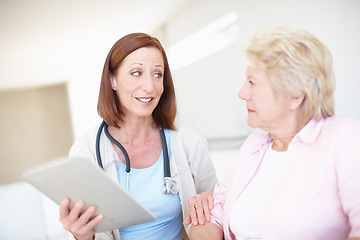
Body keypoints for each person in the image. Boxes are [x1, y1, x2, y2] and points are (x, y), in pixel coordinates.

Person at [187, 26, 360, 240]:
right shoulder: (255, 142)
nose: (242, 93)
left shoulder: (346, 140)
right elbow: (212, 215)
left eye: (253, 82)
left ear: (296, 96)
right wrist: (203, 213)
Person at [59, 33, 217, 240]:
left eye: (157, 74)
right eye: (136, 73)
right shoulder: (86, 150)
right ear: (112, 80)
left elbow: (214, 211)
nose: (150, 87)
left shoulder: (189, 141)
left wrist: (209, 208)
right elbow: (91, 231)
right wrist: (83, 236)